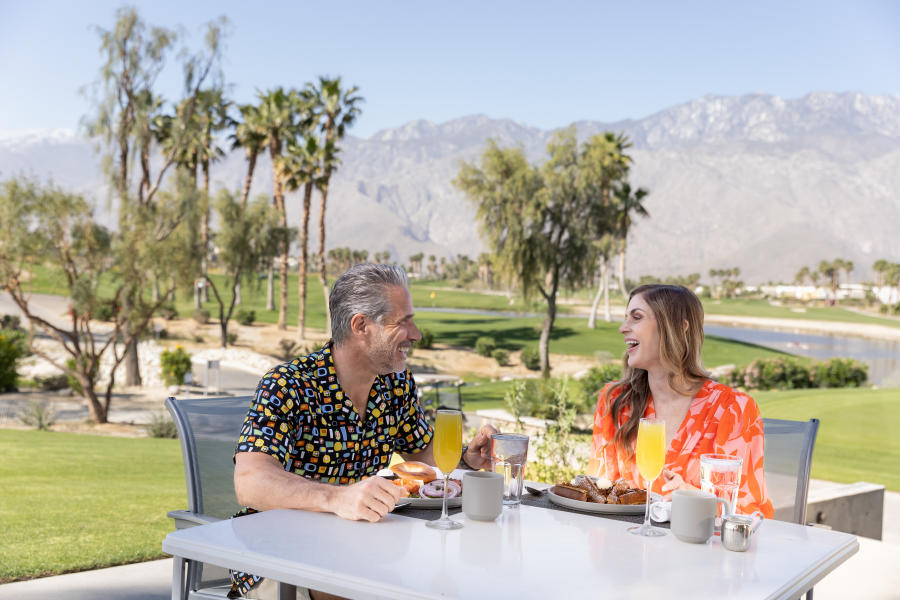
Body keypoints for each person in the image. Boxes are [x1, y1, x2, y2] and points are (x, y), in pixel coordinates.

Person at [230, 263, 498, 599]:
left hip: (361, 551)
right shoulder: (288, 386)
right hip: (275, 558)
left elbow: (423, 456)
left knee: (454, 575)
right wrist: (338, 497)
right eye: (403, 321)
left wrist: (466, 460)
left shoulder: (395, 384)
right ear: (361, 326)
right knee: (373, 588)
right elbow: (250, 483)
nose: (416, 334)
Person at [589, 284, 774, 518]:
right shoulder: (616, 402)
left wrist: (696, 499)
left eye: (636, 318)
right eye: (626, 318)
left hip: (700, 550)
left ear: (679, 327)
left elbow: (748, 513)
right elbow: (597, 493)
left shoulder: (732, 409)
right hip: (627, 547)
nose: (623, 328)